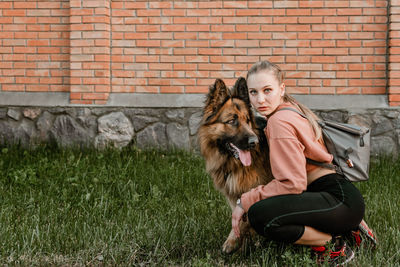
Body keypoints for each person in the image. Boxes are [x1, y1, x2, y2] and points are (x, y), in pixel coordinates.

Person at [231, 60, 377, 265]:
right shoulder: (291, 109)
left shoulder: (278, 122)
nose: (260, 99)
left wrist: (244, 201)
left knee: (260, 215)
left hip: (338, 201)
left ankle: (334, 246)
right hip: (340, 195)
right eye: (253, 92)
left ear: (281, 89)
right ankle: (349, 227)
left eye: (267, 90)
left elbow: (293, 184)